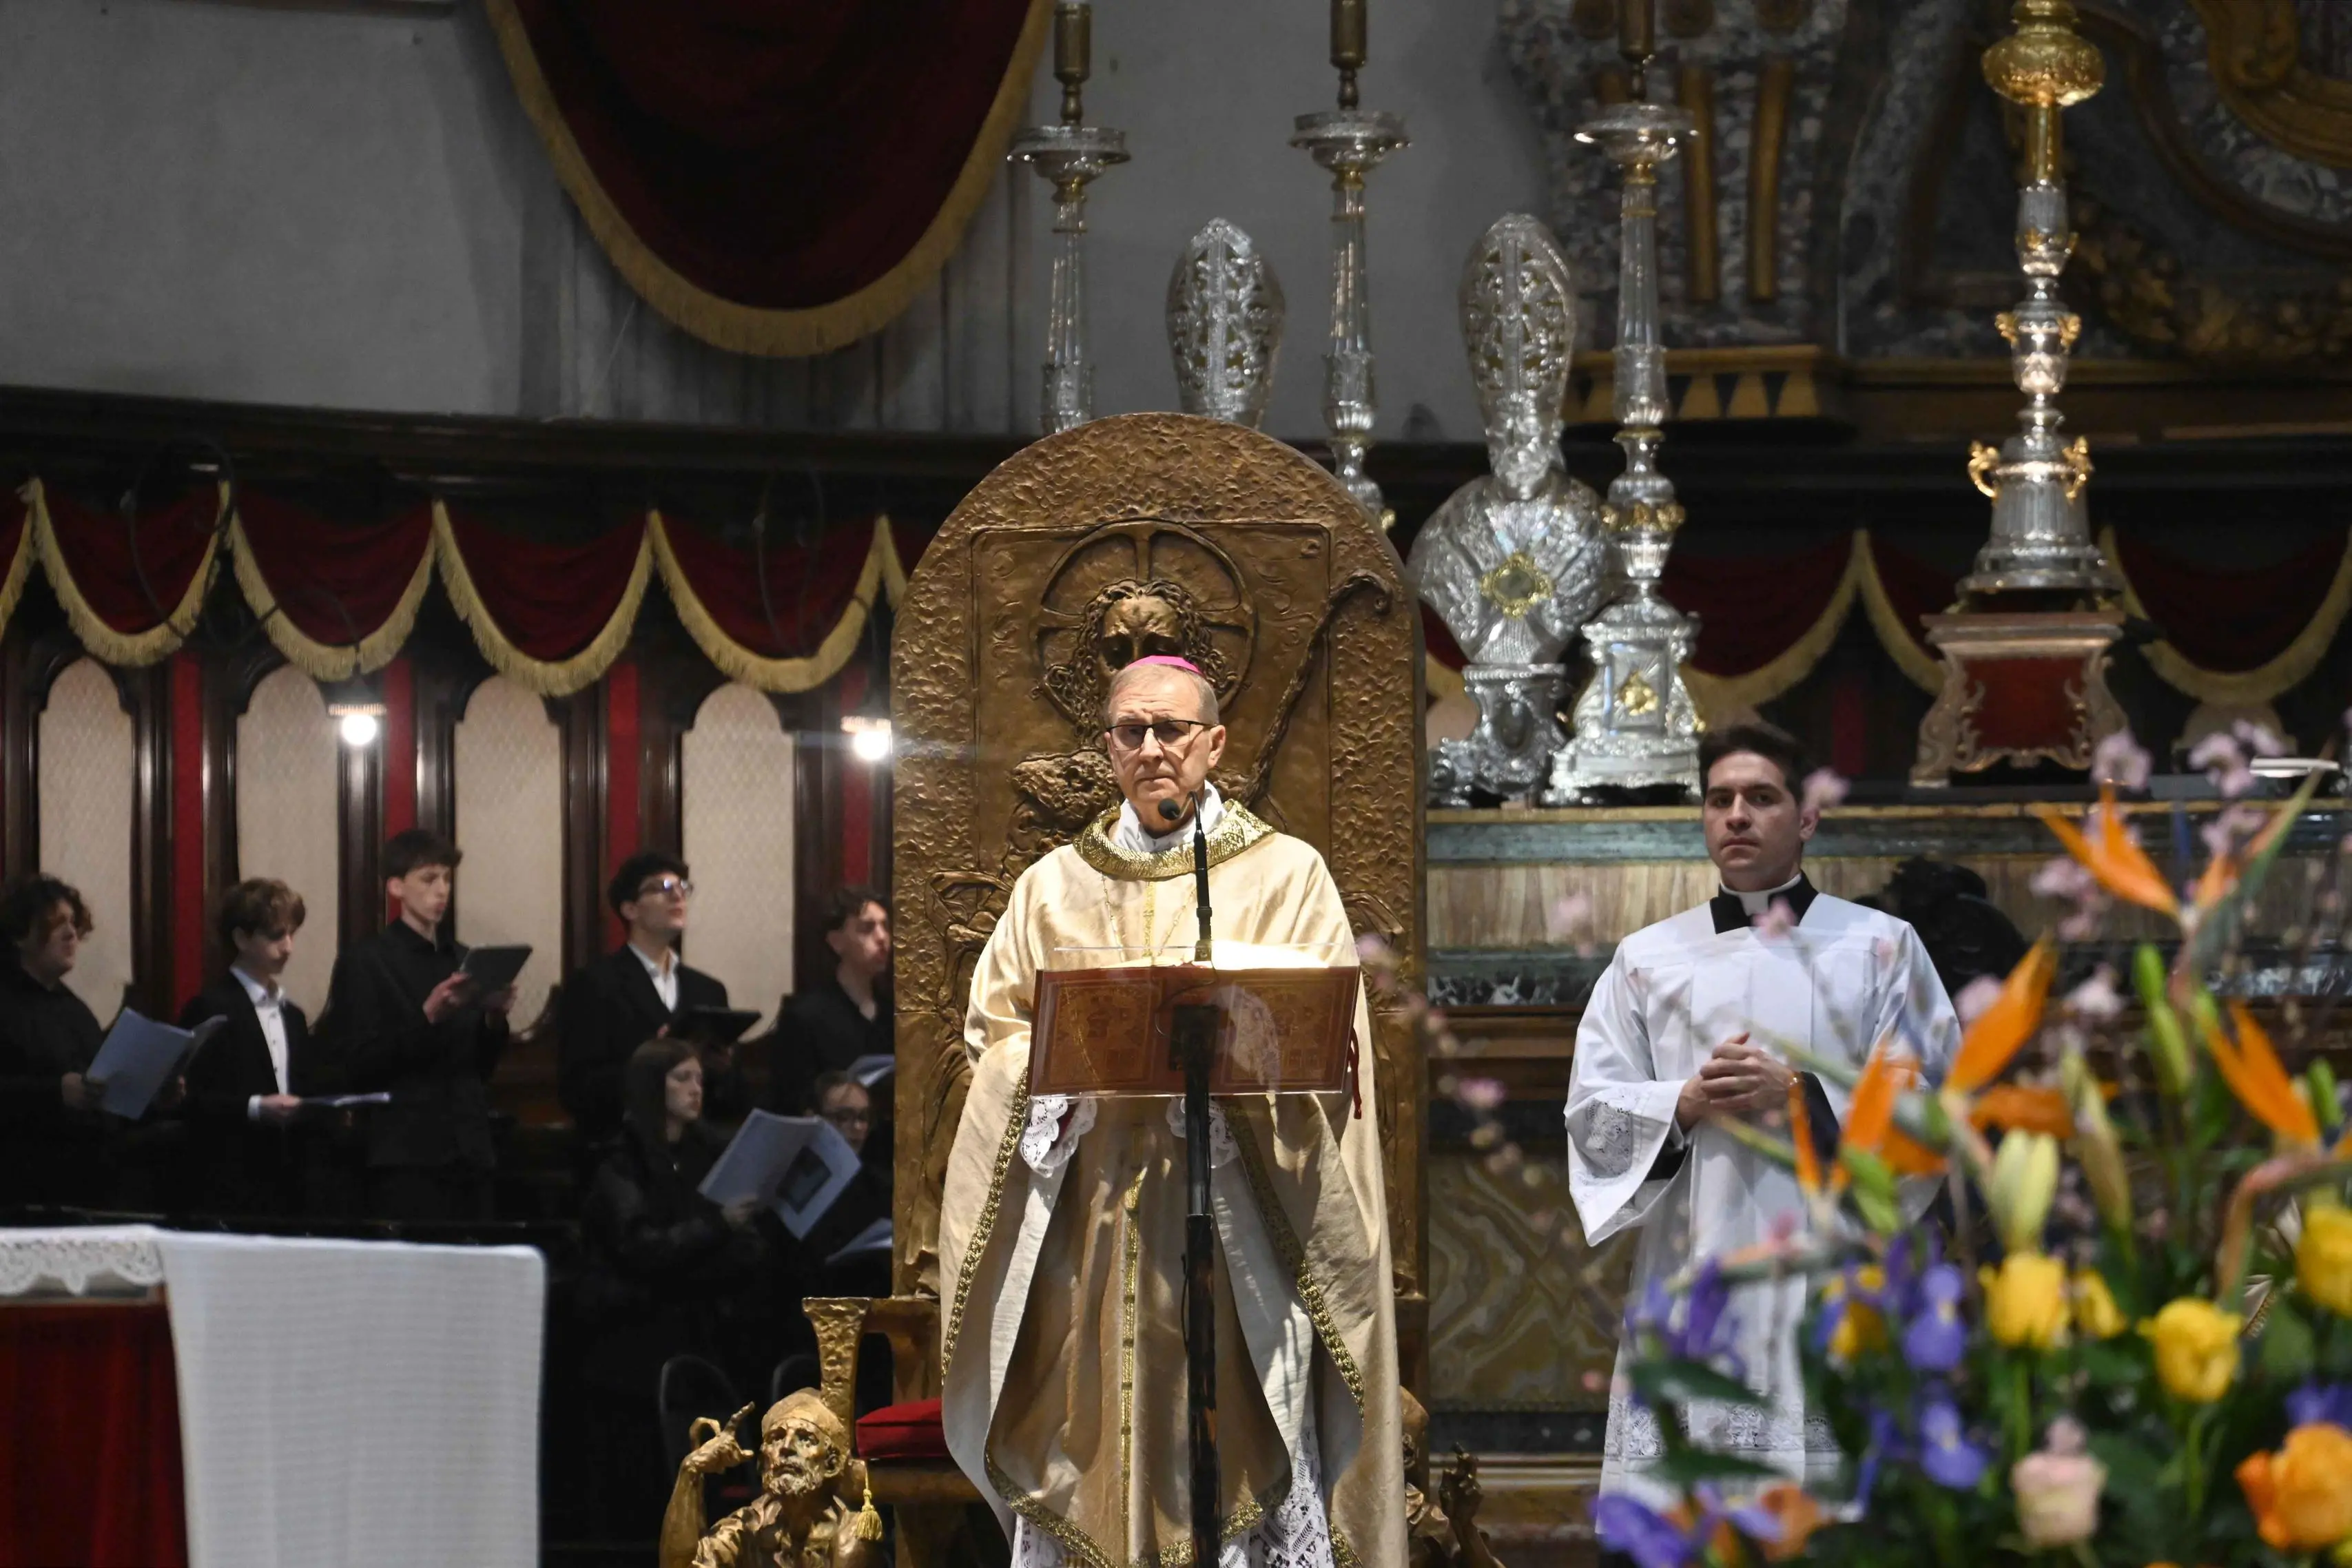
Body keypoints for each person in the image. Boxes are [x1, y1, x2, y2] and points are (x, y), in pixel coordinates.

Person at [939, 654, 1404, 1565]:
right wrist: (1059, 1069)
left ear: (1214, 743)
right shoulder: (1050, 886)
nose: (1152, 750)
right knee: (1092, 1427)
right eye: (1130, 732)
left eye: (1173, 731)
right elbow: (991, 1037)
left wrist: (1238, 1065)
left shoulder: (1286, 875)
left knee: (1230, 1431)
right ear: (1106, 747)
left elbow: (1329, 1049)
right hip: (1093, 1227)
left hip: (1236, 1232)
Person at [1565, 721, 1961, 1511]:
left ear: (1807, 816)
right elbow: (1592, 1112)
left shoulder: (1881, 946)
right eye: (1720, 799)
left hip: (1832, 1271)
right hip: (1693, 1266)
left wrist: (1804, 1096)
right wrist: (1679, 1101)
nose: (1736, 815)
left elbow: (1928, 1106)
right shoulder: (1647, 957)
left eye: (1761, 797)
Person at [578, 1040, 774, 1535]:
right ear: (652, 1086)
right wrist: (716, 1228)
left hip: (699, 1326)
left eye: (700, 1079)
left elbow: (728, 1244)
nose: (695, 1089)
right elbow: (641, 1248)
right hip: (636, 1338)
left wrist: (731, 1237)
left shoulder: (706, 1151)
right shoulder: (620, 1162)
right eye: (682, 1078)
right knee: (648, 1479)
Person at [320, 828, 515, 1224]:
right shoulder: (366, 961)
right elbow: (357, 1064)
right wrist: (427, 1018)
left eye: (446, 879)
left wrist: (495, 1017)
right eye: (429, 879)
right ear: (396, 887)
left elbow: (479, 1067)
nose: (442, 890)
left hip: (470, 1146)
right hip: (404, 1153)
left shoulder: (461, 958)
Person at [559, 852, 739, 1143]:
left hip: (696, 1149)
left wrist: (722, 1068)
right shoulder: (594, 983)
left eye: (682, 888)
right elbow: (578, 1088)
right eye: (662, 889)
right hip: (623, 1149)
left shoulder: (708, 990)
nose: (677, 896)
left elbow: (731, 1097)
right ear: (630, 909)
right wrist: (653, 1061)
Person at [178, 878, 319, 1217]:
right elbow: (187, 1101)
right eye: (275, 936)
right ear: (241, 938)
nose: (288, 947)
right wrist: (255, 1107)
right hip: (229, 1179)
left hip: (289, 1182)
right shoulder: (210, 1008)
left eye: (291, 935)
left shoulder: (294, 1016)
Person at [659, 1392, 881, 1568]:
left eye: (805, 1439)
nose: (785, 1448)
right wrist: (691, 1470)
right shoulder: (749, 1526)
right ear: (763, 1460)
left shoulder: (850, 1536)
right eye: (776, 1438)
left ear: (831, 1464)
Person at [0, 876, 107, 1208]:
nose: (71, 935)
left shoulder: (74, 1008)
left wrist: (154, 1095)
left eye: (74, 924)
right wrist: (54, 1093)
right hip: (20, 1186)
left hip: (88, 1182)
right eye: (57, 924)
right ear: (21, 935)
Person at [767, 889, 891, 1121]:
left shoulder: (895, 1013)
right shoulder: (804, 1016)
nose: (882, 937)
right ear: (836, 942)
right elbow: (792, 1104)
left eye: (885, 926)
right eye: (867, 928)